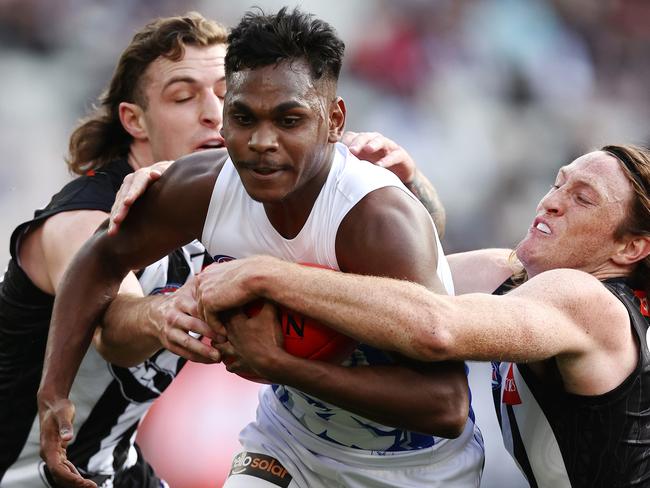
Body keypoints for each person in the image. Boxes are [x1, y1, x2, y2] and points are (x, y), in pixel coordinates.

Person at [38, 7, 484, 488]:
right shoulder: (204, 187)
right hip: (285, 444)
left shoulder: (375, 220)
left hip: (414, 469)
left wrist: (282, 367)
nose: (261, 142)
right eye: (243, 117)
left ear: (333, 120)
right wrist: (53, 392)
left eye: (289, 119)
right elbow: (99, 258)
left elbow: (447, 405)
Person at [175, 144, 650, 487]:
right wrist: (401, 192)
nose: (552, 200)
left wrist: (268, 276)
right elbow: (408, 285)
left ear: (632, 248)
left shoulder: (585, 300)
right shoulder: (515, 274)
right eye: (558, 181)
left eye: (583, 198)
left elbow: (436, 328)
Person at [0, 12, 229, 487]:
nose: (214, 112)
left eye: (228, 95)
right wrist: (161, 315)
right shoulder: (82, 219)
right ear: (134, 120)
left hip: (112, 463)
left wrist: (407, 183)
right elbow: (116, 332)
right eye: (184, 96)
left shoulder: (229, 206)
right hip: (27, 473)